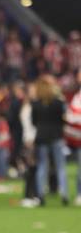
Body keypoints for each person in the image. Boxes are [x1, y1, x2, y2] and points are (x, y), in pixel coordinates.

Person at [31, 75, 69, 206]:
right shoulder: (58, 102)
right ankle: (64, 194)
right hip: (57, 136)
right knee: (60, 166)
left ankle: (41, 195)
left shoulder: (36, 104)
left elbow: (34, 122)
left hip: (41, 137)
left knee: (42, 166)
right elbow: (63, 120)